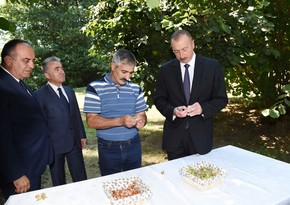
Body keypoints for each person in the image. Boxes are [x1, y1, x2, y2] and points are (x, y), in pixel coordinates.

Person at [154, 29, 228, 160]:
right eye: (176, 51)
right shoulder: (165, 70)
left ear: (193, 44)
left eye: (184, 49)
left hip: (201, 137)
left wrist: (203, 108)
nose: (181, 55)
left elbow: (221, 99)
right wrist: (173, 111)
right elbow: (159, 100)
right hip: (174, 139)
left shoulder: (212, 67)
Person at [0, 39, 53, 200]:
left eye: (33, 60)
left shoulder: (16, 82)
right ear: (9, 60)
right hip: (20, 172)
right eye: (26, 61)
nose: (32, 65)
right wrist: (16, 174)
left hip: (31, 164)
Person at [83, 49, 147, 176]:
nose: (128, 77)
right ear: (113, 66)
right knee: (112, 185)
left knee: (135, 181)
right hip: (108, 148)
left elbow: (142, 114)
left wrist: (142, 120)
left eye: (131, 73)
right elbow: (91, 121)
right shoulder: (94, 87)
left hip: (133, 145)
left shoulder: (135, 88)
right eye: (124, 72)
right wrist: (120, 121)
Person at [34, 56, 87, 186]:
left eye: (62, 68)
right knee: (59, 181)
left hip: (74, 142)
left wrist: (82, 135)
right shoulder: (39, 96)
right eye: (57, 69)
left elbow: (76, 116)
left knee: (81, 178)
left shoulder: (69, 91)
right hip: (54, 146)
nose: (62, 71)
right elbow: (39, 125)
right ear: (47, 74)